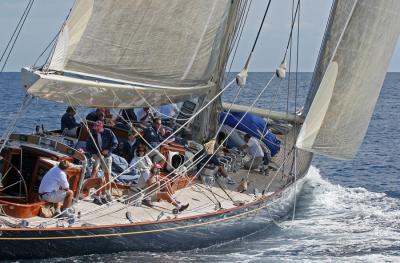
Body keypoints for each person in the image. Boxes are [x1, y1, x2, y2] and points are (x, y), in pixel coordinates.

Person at [86, 121, 118, 204]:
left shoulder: (108, 132)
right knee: (94, 170)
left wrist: (108, 150)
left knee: (107, 174)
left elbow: (115, 143)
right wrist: (96, 153)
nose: (96, 130)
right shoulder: (92, 134)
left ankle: (108, 193)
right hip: (97, 154)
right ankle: (88, 190)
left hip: (107, 156)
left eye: (97, 128)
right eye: (95, 128)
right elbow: (88, 147)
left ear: (101, 127)